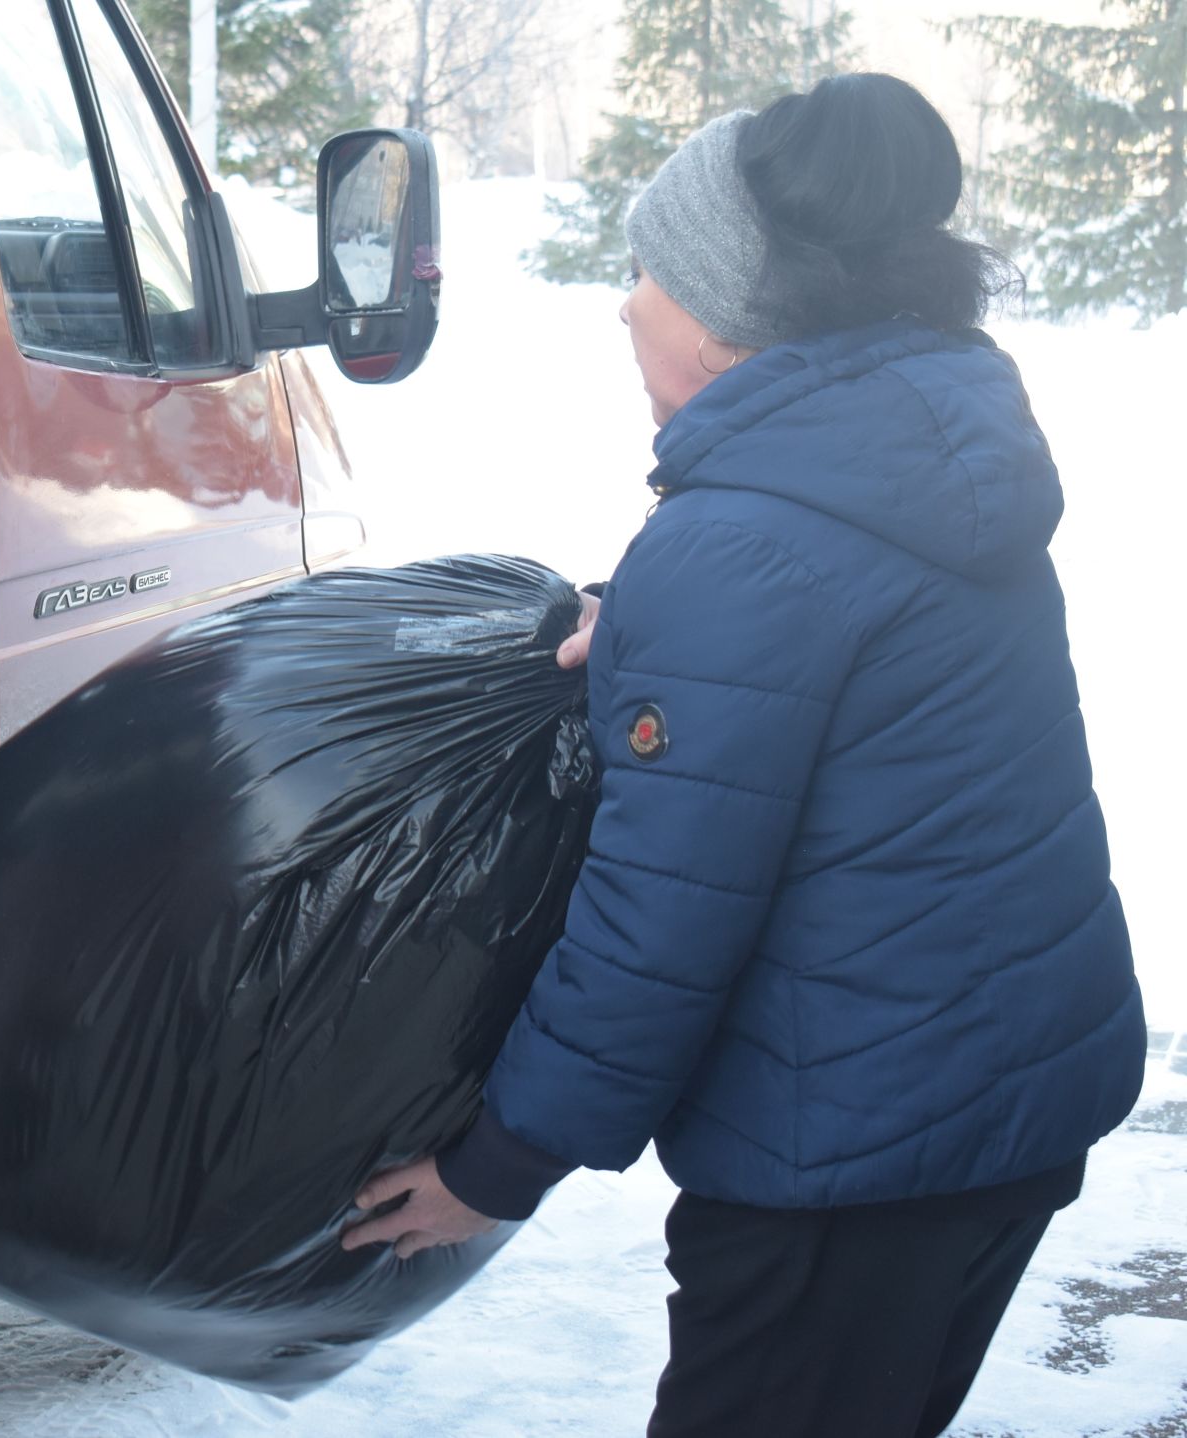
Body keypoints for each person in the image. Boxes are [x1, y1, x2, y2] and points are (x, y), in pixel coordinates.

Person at [341, 73, 1147, 1438]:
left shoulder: (743, 549)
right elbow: (844, 662)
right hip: (1003, 1112)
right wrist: (644, 615)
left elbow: (656, 926)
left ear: (727, 322)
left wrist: (500, 1160)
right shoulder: (925, 451)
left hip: (845, 1160)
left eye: (649, 271)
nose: (622, 303)